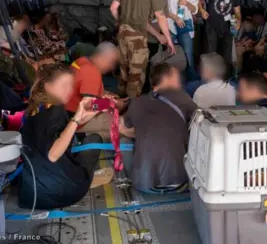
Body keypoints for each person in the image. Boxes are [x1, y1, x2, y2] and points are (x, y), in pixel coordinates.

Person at [19, 64, 112, 209]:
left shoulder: (36, 107)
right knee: (93, 139)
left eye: (70, 85)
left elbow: (73, 122)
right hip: (63, 191)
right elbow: (53, 155)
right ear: (48, 86)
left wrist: (101, 105)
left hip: (33, 194)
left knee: (73, 138)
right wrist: (76, 119)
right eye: (64, 85)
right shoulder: (55, 111)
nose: (69, 90)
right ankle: (87, 176)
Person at [118, 63, 197, 193]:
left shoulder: (137, 102)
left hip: (144, 185)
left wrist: (139, 133)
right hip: (180, 183)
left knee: (124, 140)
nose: (180, 82)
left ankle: (132, 177)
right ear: (166, 78)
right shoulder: (181, 96)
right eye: (177, 77)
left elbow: (121, 127)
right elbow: (202, 121)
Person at [111, 0, 175, 98]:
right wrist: (169, 40)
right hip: (138, 37)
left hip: (122, 35)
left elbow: (113, 8)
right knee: (136, 74)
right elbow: (161, 17)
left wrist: (121, 22)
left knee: (123, 69)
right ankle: (131, 105)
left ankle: (120, 101)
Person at [64, 42, 121, 141]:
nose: (112, 67)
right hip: (74, 119)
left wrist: (104, 95)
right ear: (103, 58)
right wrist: (110, 104)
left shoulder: (82, 61)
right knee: (120, 125)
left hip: (65, 111)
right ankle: (85, 139)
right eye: (112, 63)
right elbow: (89, 106)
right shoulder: (92, 72)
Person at [199, 0, 241, 74]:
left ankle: (225, 78)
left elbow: (237, 11)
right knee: (210, 54)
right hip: (212, 26)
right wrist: (201, 10)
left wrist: (238, 21)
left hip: (227, 28)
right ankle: (209, 77)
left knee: (226, 56)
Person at [164, 0, 200, 81]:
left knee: (188, 55)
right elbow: (163, 9)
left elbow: (194, 10)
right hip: (171, 23)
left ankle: (192, 84)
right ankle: (170, 81)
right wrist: (175, 18)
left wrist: (187, 3)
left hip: (185, 25)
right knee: (170, 54)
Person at [144, 0, 174, 92]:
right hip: (142, 39)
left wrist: (167, 37)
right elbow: (143, 21)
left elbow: (163, 19)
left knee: (151, 67)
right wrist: (158, 35)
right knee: (141, 70)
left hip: (155, 41)